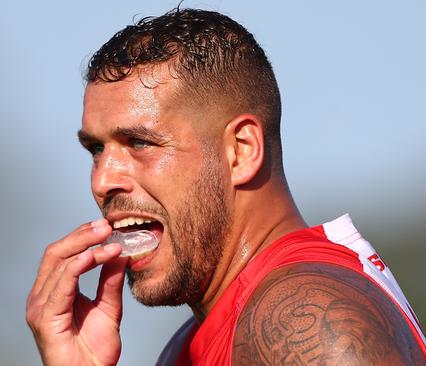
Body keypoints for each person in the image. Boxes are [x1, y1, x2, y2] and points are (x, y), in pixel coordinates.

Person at [26, 8, 426, 365]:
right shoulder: (196, 340)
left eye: (140, 142)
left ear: (241, 150)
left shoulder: (302, 316)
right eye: (96, 148)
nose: (102, 180)